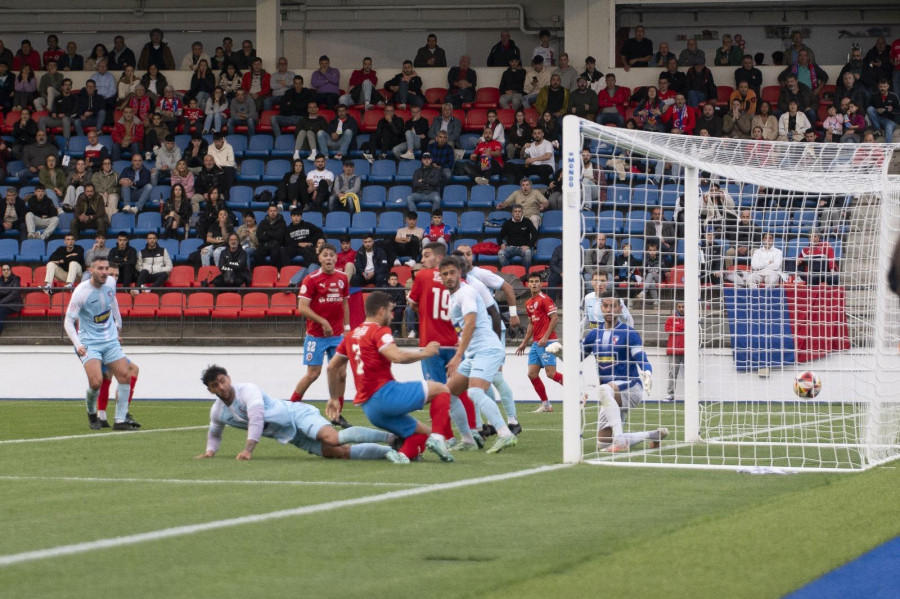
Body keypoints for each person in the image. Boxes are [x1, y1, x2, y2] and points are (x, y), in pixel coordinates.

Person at [197, 364, 406, 463]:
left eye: (222, 381)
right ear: (211, 390)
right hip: (291, 435)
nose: (221, 387)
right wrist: (210, 451)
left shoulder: (248, 391)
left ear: (229, 378)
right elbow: (215, 432)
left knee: (331, 437)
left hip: (297, 414)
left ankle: (391, 438)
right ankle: (391, 453)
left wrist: (248, 450)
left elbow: (257, 420)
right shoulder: (218, 411)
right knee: (340, 452)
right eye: (215, 385)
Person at [440, 257, 518, 454]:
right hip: (475, 353)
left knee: (475, 392)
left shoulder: (466, 292)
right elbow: (464, 328)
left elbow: (471, 323)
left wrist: (458, 356)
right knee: (448, 394)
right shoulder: (453, 297)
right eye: (445, 274)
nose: (449, 277)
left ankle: (505, 433)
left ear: (460, 272)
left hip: (488, 349)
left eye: (452, 272)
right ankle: (468, 439)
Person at [574, 294, 663, 452]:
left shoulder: (629, 333)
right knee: (603, 443)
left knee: (603, 389)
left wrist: (647, 372)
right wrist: (559, 352)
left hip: (631, 389)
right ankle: (653, 435)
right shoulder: (593, 335)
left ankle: (621, 441)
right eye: (605, 306)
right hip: (609, 395)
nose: (609, 310)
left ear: (620, 308)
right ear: (601, 308)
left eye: (613, 306)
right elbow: (575, 358)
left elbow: (640, 356)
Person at [64, 255, 139, 430]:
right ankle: (92, 412)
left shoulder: (111, 284)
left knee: (125, 375)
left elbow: (113, 304)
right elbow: (68, 321)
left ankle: (120, 420)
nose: (105, 272)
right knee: (96, 382)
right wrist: (77, 344)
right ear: (91, 271)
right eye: (100, 269)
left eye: (106, 269)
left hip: (110, 340)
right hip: (89, 342)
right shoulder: (81, 292)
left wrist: (118, 325)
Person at [515, 272, 563, 412]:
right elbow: (531, 323)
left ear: (541, 284)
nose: (534, 284)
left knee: (551, 373)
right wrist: (524, 342)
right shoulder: (528, 303)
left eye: (537, 281)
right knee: (532, 374)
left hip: (548, 341)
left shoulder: (545, 299)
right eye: (532, 281)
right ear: (528, 284)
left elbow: (555, 318)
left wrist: (546, 337)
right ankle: (547, 405)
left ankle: (579, 394)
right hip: (537, 343)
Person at [497, 205, 537, 270]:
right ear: (512, 213)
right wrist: (501, 244)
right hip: (510, 247)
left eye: (519, 211)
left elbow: (535, 234)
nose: (517, 213)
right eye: (515, 211)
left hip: (523, 248)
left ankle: (525, 273)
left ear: (522, 213)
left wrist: (529, 245)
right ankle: (508, 273)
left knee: (528, 253)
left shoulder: (527, 221)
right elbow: (499, 236)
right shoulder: (507, 223)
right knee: (501, 253)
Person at [255, 204, 288, 269]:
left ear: (277, 211)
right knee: (256, 254)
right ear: (268, 211)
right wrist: (274, 234)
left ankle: (271, 269)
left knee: (276, 253)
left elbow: (280, 236)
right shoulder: (262, 223)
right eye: (271, 211)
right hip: (265, 245)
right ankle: (267, 267)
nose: (273, 213)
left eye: (274, 211)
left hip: (276, 245)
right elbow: (260, 237)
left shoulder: (282, 223)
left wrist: (266, 233)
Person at [866, 79, 899, 144]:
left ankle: (887, 150)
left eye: (884, 86)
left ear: (888, 86)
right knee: (870, 109)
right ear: (878, 87)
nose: (882, 88)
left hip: (890, 121)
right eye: (881, 87)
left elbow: (898, 110)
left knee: (889, 129)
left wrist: (891, 110)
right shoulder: (874, 96)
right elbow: (869, 109)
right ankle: (877, 130)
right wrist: (876, 110)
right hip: (878, 119)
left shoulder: (893, 96)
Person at [0, 263, 22, 336]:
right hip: (2, 303)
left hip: (13, 303)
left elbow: (14, 294)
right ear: (2, 271)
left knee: (1, 310)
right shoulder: (0, 280)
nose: (6, 271)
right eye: (4, 270)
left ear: (10, 270)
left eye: (8, 269)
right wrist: (7, 291)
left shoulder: (16, 279)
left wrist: (1, 302)